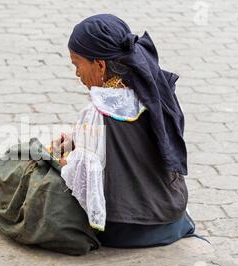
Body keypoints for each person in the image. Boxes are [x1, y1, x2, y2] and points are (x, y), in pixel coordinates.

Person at [50, 13, 202, 248]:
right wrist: (77, 139)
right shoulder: (156, 92)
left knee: (39, 181)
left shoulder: (97, 112)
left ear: (99, 65)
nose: (77, 73)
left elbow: (82, 184)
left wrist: (61, 163)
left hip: (125, 230)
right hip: (173, 220)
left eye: (76, 64)